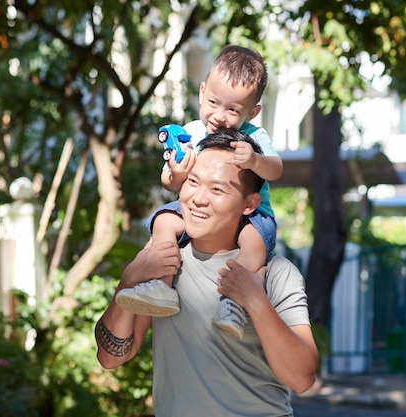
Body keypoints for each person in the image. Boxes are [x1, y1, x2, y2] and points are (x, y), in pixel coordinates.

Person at [95, 129, 318, 416]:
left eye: (217, 190)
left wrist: (255, 300)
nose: (198, 198)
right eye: (193, 182)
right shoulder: (163, 264)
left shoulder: (275, 273)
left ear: (250, 203)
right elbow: (111, 358)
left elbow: (302, 378)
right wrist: (128, 282)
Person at [115, 45, 283, 340]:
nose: (219, 116)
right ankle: (162, 285)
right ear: (202, 91)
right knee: (164, 221)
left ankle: (233, 303)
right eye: (213, 102)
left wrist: (255, 160)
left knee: (254, 244)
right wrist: (176, 174)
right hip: (198, 207)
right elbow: (168, 179)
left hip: (252, 214)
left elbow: (276, 169)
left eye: (233, 110)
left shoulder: (255, 137)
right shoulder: (191, 132)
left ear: (253, 112)